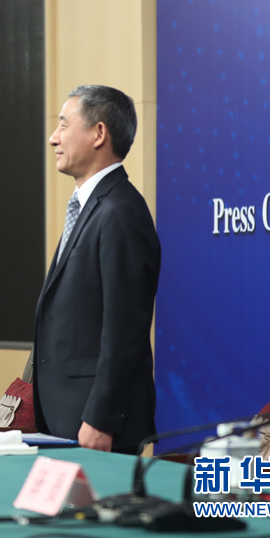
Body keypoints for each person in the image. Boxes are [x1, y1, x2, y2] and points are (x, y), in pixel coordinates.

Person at [34, 85, 161, 453]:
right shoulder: (90, 206)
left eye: (63, 125)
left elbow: (125, 330)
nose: (53, 138)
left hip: (96, 422)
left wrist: (101, 418)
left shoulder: (121, 212)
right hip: (66, 413)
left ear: (99, 133)